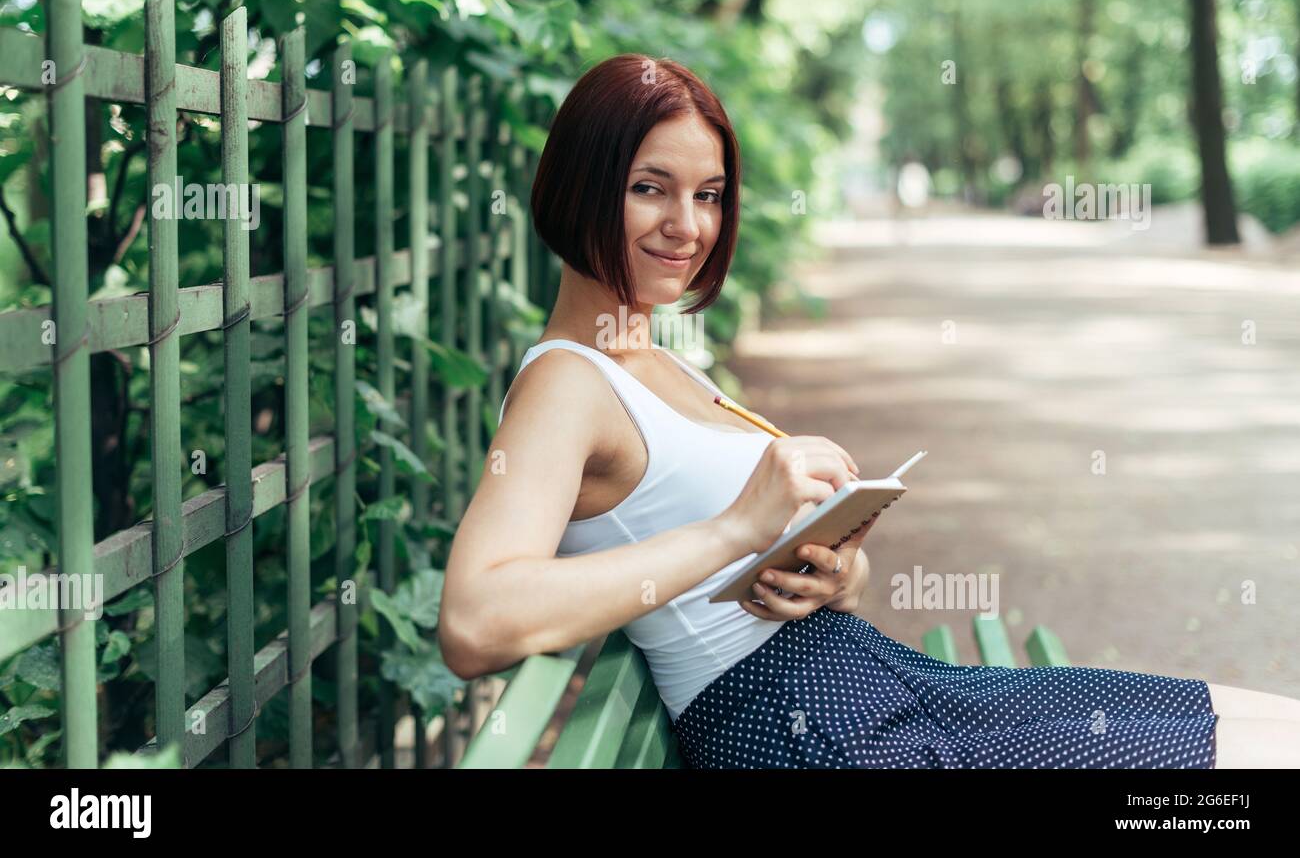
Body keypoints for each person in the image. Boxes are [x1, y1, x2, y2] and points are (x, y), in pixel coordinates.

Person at [437, 53, 1300, 768]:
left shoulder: (652, 357)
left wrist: (834, 574)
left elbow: (717, 563)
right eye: (650, 188)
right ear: (582, 185)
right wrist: (738, 529)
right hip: (810, 732)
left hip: (867, 685)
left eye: (708, 194)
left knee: (1272, 727)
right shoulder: (566, 381)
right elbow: (475, 621)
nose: (689, 225)